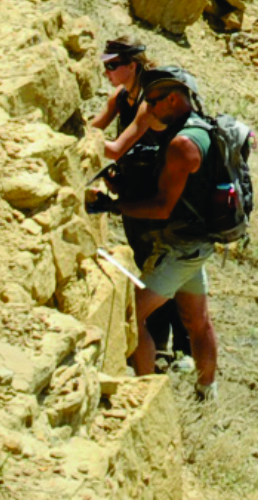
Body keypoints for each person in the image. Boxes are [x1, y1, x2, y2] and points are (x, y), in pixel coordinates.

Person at [94, 52, 221, 395]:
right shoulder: (202, 130)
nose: (148, 109)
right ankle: (206, 392)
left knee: (129, 315)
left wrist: (114, 206)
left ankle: (144, 393)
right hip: (197, 243)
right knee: (197, 321)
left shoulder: (182, 144)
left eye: (153, 101)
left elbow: (163, 207)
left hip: (178, 248)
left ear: (173, 99)